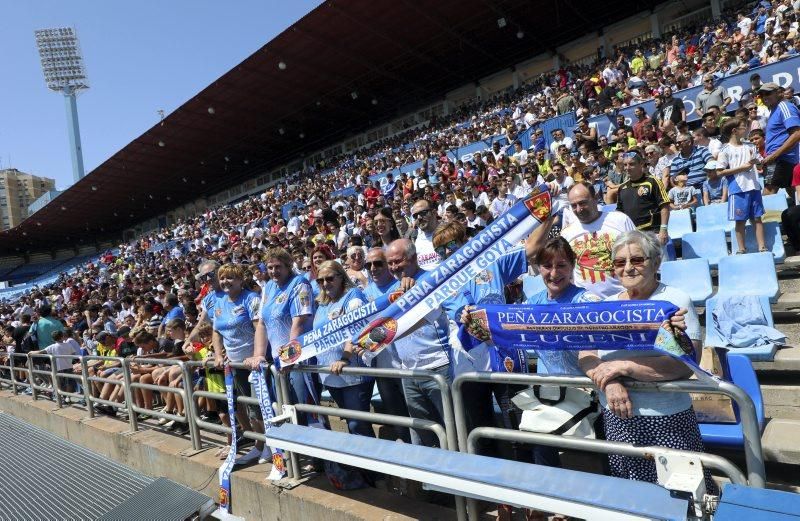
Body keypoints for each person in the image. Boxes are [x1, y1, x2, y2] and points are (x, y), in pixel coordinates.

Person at [578, 230, 716, 494]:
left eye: (637, 260)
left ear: (655, 262)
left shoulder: (674, 301)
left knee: (681, 495)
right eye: (620, 262)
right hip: (617, 417)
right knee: (633, 496)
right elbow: (586, 355)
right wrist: (609, 381)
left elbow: (687, 364)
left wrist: (624, 366)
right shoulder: (604, 307)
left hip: (667, 418)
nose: (628, 268)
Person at [381, 239, 451, 447]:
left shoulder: (431, 280)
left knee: (451, 429)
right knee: (424, 434)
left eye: (397, 261)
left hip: (438, 367)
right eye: (390, 263)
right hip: (409, 373)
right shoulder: (391, 291)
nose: (393, 267)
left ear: (413, 259)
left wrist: (414, 292)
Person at [249, 247, 314, 441]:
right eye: (270, 267)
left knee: (303, 409)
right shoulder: (268, 287)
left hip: (299, 358)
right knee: (285, 407)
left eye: (278, 267)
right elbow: (261, 323)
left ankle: (319, 461)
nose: (273, 271)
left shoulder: (299, 283)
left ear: (288, 266)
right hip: (279, 362)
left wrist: (290, 355)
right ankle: (297, 456)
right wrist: (259, 354)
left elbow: (300, 321)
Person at [306, 260, 375, 438]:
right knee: (351, 423)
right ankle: (359, 465)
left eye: (329, 279)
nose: (325, 284)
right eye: (320, 281)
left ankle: (370, 465)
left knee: (358, 424)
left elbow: (357, 329)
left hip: (352, 372)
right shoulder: (322, 303)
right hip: (330, 374)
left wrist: (344, 358)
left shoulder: (353, 295)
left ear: (341, 277)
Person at [210, 263, 263, 466]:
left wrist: (257, 355)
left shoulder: (251, 298)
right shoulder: (220, 302)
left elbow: (259, 327)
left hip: (253, 363)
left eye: (231, 278)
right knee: (248, 407)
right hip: (234, 364)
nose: (225, 282)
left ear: (241, 280)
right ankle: (260, 445)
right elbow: (216, 332)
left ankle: (268, 445)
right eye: (223, 278)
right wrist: (217, 355)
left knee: (259, 407)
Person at [361, 248, 411, 442]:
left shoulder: (403, 285)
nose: (373, 268)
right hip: (382, 366)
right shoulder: (364, 294)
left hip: (406, 364)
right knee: (397, 416)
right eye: (368, 265)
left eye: (378, 263)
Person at [717, 118, 767, 253]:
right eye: (743, 127)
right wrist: (742, 168)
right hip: (737, 189)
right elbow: (719, 171)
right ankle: (741, 249)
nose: (746, 129)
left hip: (754, 187)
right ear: (734, 131)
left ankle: (762, 247)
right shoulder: (725, 150)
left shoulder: (750, 146)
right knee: (740, 221)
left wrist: (758, 162)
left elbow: (761, 163)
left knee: (757, 218)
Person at [616, 152, 670, 244]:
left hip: (653, 233)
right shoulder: (622, 188)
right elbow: (619, 212)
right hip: (632, 235)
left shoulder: (653, 181)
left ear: (641, 164)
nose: (627, 168)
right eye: (625, 165)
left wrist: (663, 229)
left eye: (631, 164)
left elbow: (665, 206)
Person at [759, 82, 800, 194]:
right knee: (794, 195)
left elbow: (797, 134)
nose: (764, 97)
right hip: (780, 159)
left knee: (768, 194)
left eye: (767, 93)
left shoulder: (784, 106)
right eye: (761, 95)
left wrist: (774, 155)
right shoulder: (774, 110)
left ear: (779, 93)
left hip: (779, 159)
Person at [410, 199, 442, 270]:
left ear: (434, 212)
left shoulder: (450, 231)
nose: (419, 218)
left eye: (423, 213)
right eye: (415, 216)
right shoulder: (416, 240)